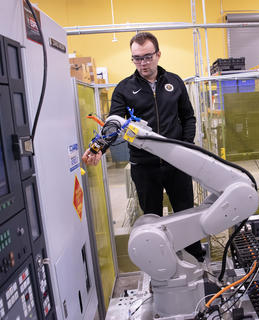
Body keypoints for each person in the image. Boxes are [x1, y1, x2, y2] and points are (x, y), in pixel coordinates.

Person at [82, 32, 205, 262]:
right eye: (136, 58)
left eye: (147, 57)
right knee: (152, 220)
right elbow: (114, 123)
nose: (142, 63)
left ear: (158, 54)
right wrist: (98, 147)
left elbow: (188, 117)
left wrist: (185, 147)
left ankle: (195, 263)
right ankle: (160, 267)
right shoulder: (124, 89)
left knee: (186, 215)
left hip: (176, 163)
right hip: (145, 167)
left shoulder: (174, 82)